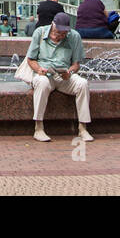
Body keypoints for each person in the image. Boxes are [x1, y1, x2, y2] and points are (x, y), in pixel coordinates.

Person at [15, 13, 94, 143]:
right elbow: (31, 59)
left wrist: (70, 72)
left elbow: (76, 64)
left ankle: (83, 128)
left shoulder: (74, 36)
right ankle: (38, 128)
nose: (60, 36)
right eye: (58, 33)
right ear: (53, 25)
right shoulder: (39, 33)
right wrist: (39, 70)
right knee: (42, 82)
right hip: (44, 74)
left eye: (64, 33)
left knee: (82, 83)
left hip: (64, 76)